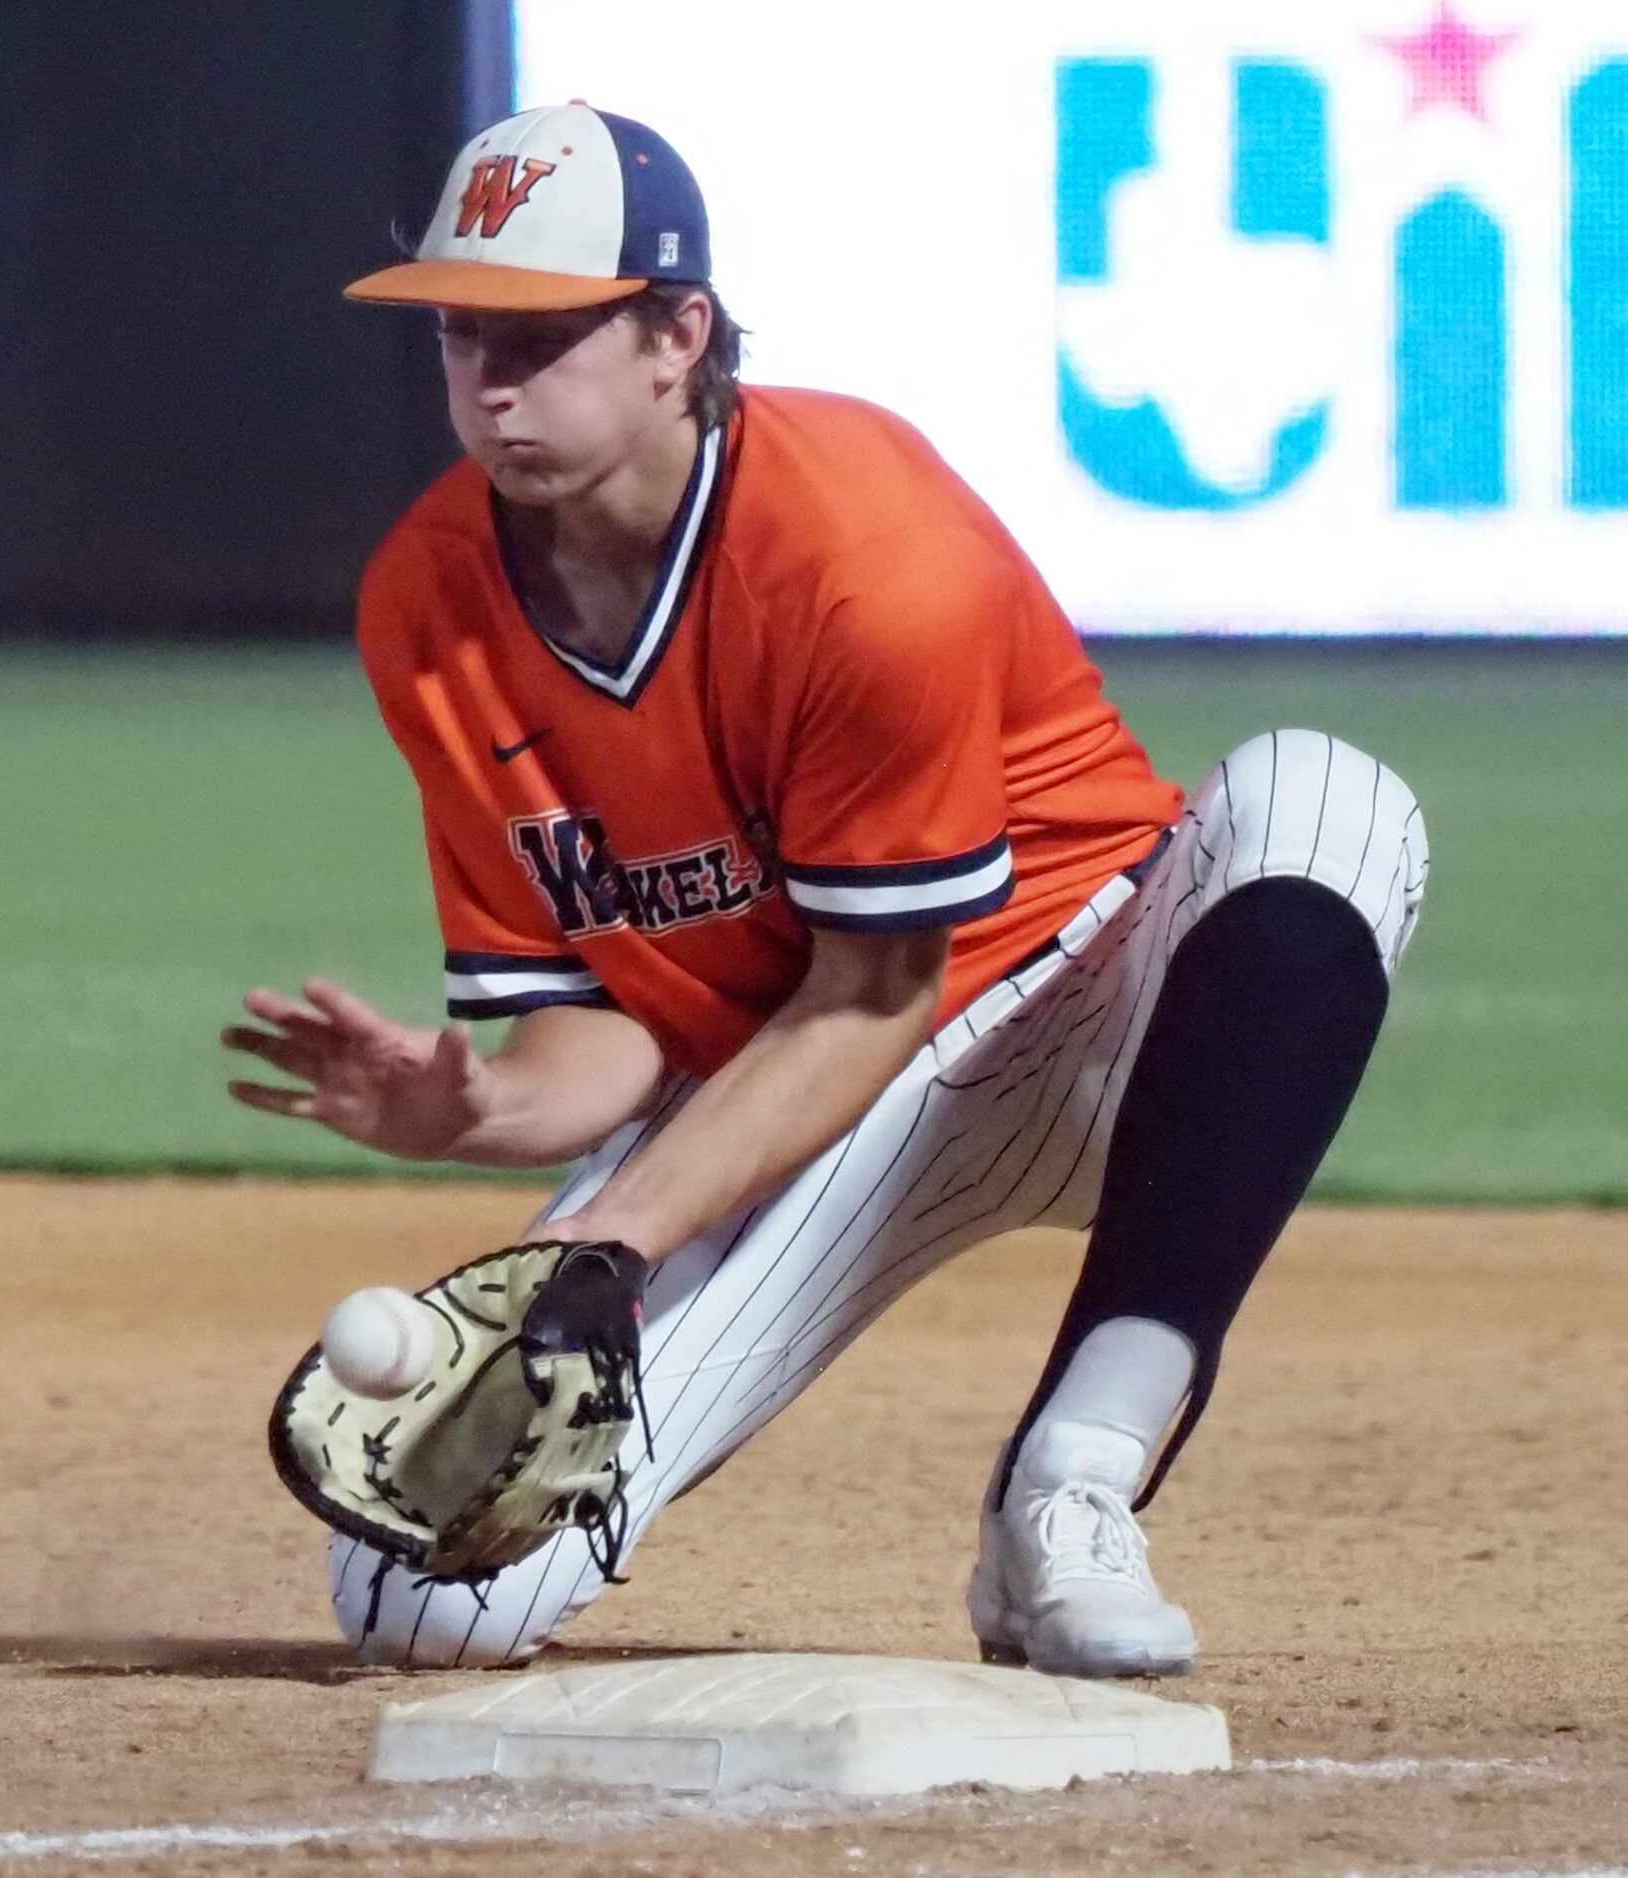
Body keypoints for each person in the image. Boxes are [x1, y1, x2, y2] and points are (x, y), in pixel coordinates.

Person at [222, 103, 1428, 1676]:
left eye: (542, 331)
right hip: (804, 1086)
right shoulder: (428, 602)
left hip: (1100, 1008)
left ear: (678, 335)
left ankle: (1070, 1485)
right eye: (461, 332)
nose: (492, 378)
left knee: (1330, 802)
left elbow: (877, 988)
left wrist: (621, 1239)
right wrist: (471, 1115)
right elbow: (609, 1027)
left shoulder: (865, 551)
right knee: (424, 1596)